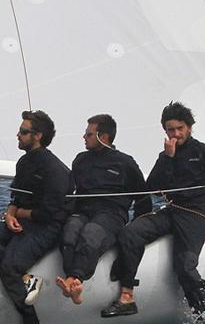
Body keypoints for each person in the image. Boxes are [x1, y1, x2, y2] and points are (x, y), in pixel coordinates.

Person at [101, 102, 205, 324]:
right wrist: (168, 158)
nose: (175, 134)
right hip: (172, 210)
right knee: (130, 232)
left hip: (198, 215)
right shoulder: (166, 155)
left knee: (184, 266)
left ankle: (203, 321)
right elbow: (152, 188)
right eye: (170, 130)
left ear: (190, 127)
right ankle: (127, 295)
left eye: (179, 129)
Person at [0, 110, 73, 324]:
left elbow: (53, 212)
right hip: (24, 224)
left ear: (37, 135)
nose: (17, 135)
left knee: (8, 268)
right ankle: (27, 278)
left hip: (46, 228)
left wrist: (19, 214)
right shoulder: (24, 162)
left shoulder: (55, 169)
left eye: (23, 131)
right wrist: (10, 214)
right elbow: (16, 197)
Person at [55, 114, 150, 305]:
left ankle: (75, 280)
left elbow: (143, 198)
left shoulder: (125, 163)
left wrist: (137, 229)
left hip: (111, 213)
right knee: (70, 231)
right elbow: (70, 191)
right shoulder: (80, 160)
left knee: (91, 233)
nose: (84, 137)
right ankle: (73, 283)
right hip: (84, 210)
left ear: (103, 137)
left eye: (88, 134)